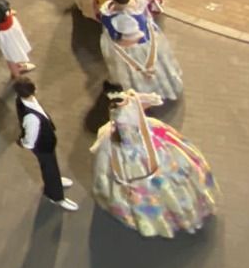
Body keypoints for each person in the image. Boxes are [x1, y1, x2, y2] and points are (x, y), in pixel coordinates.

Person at [90, 87, 218, 237]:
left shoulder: (125, 110)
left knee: (164, 180)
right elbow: (120, 163)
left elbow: (140, 131)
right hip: (140, 150)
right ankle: (176, 214)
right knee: (165, 183)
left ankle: (171, 213)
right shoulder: (123, 122)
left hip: (143, 147)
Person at [99, 0, 183, 102]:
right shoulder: (136, 1)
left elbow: (115, 36)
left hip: (133, 47)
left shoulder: (113, 16)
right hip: (146, 39)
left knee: (133, 68)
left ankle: (144, 90)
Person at [14, 78, 79, 212]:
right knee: (48, 167)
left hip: (46, 141)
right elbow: (30, 140)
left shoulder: (22, 101)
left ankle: (55, 180)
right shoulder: (31, 117)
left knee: (51, 165)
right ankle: (55, 196)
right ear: (33, 90)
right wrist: (23, 142)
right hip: (42, 145)